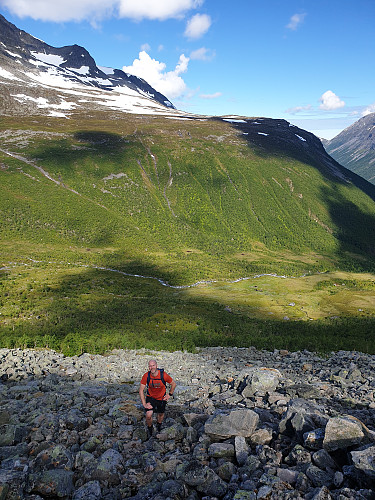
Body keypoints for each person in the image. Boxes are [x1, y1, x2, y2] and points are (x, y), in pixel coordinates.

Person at [139, 359, 176, 438]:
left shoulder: (163, 375)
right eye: (150, 366)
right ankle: (150, 428)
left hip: (161, 398)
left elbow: (173, 384)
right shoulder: (146, 376)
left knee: (161, 413)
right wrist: (144, 403)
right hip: (151, 397)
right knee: (148, 415)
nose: (151, 367)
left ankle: (159, 425)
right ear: (148, 367)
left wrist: (169, 394)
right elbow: (141, 390)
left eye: (153, 365)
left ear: (156, 366)